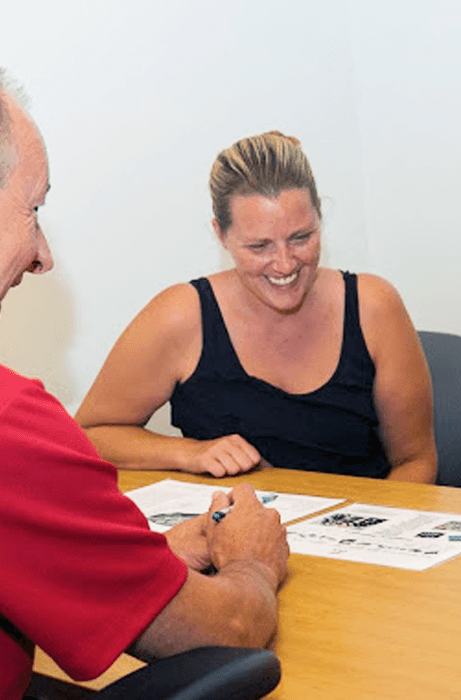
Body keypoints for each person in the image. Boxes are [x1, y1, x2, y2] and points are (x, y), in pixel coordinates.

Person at [0, 73, 289, 700]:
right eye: (34, 209)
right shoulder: (10, 428)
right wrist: (253, 560)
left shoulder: (372, 303)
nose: (43, 254)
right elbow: (231, 626)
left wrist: (141, 563)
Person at [75, 131, 437, 483]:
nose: (284, 264)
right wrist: (191, 453)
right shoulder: (180, 317)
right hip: (232, 536)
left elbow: (416, 460)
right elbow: (91, 434)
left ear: (320, 218)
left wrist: (371, 534)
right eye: (259, 246)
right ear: (221, 235)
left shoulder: (373, 307)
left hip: (360, 530)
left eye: (301, 238)